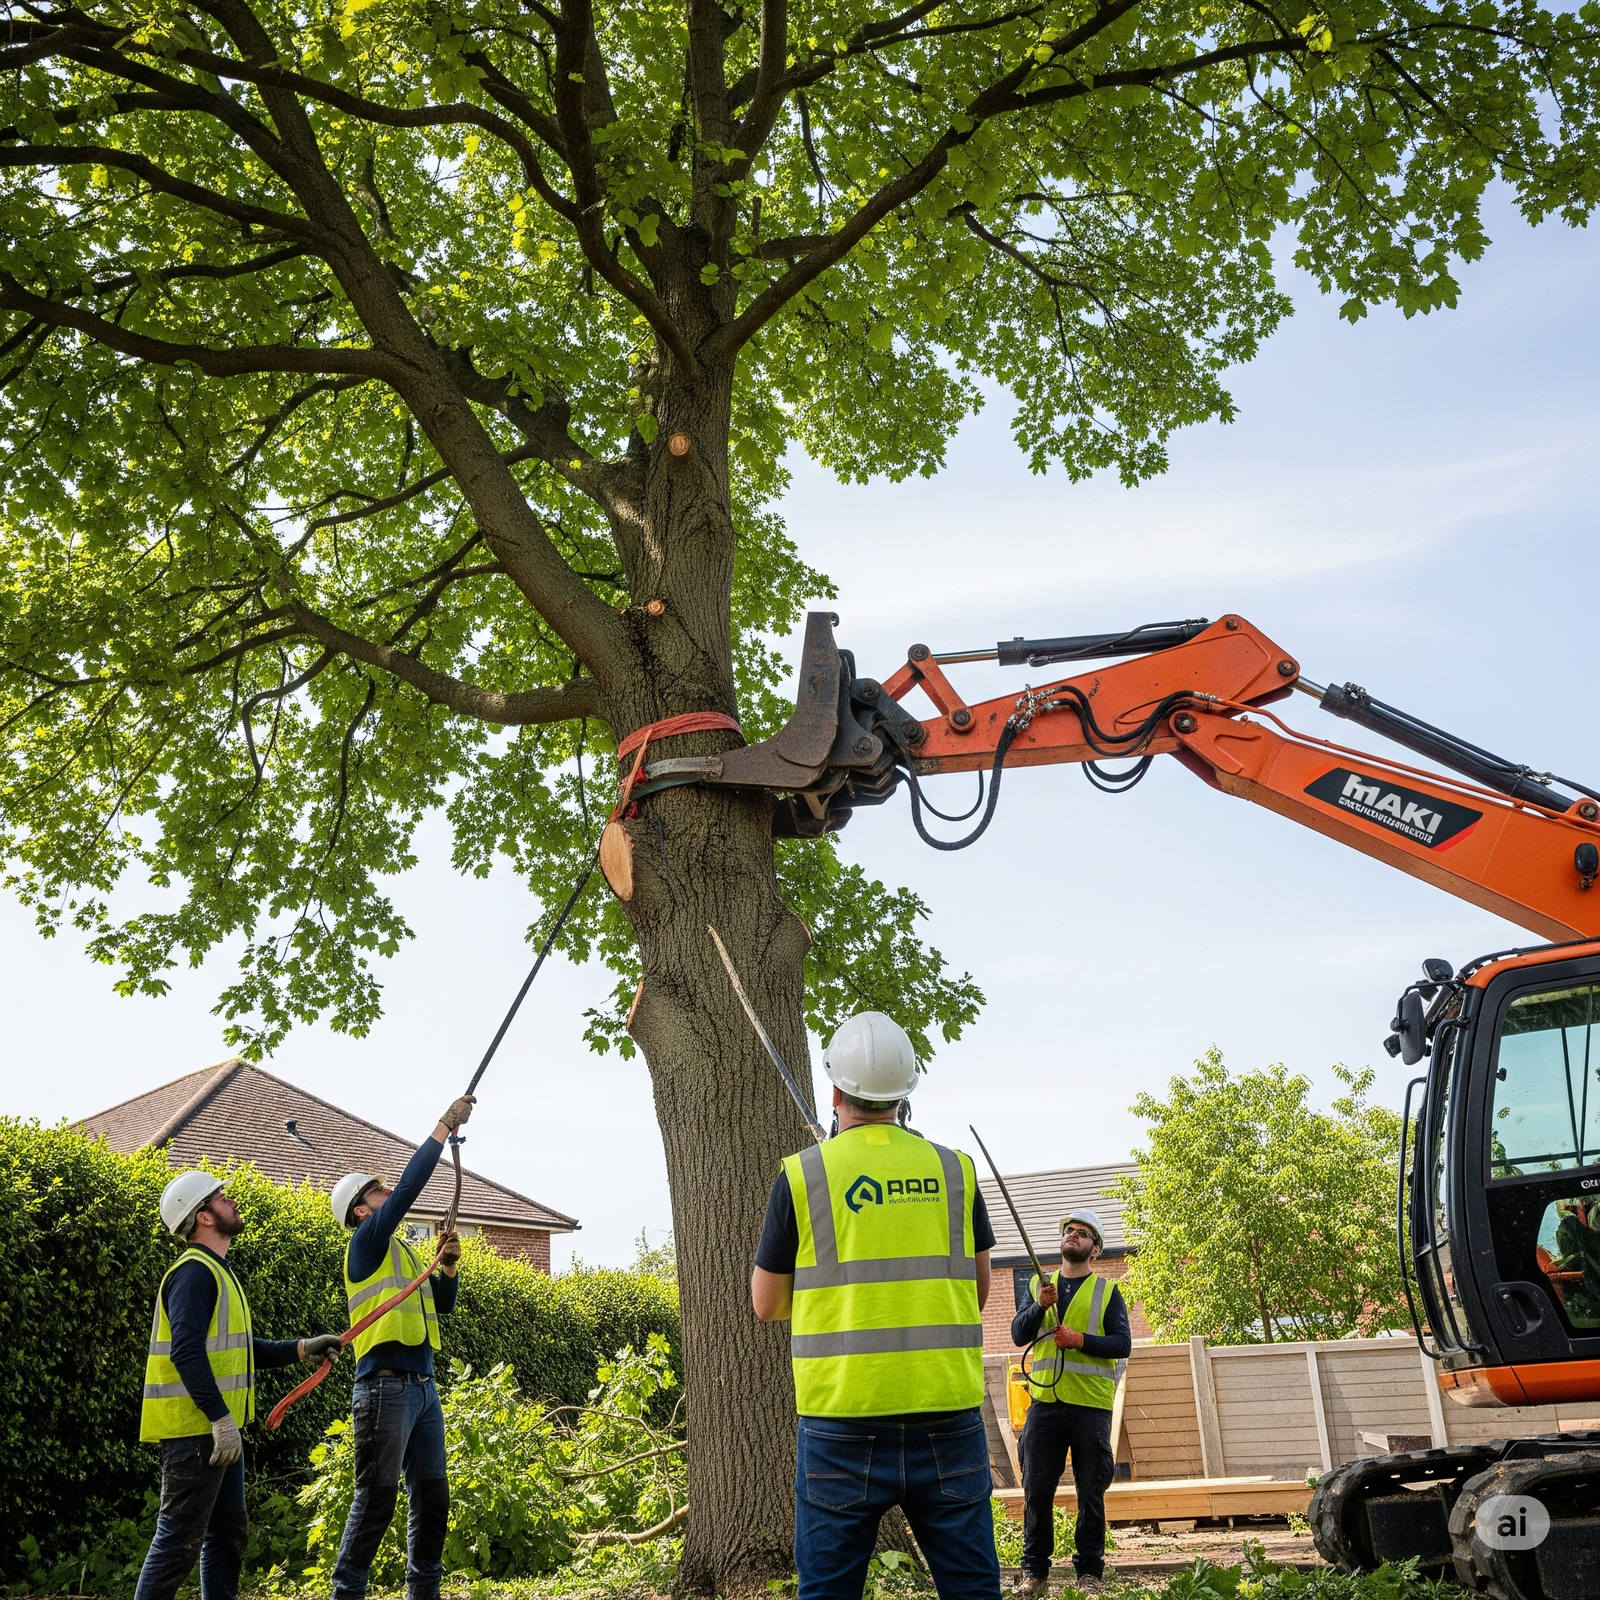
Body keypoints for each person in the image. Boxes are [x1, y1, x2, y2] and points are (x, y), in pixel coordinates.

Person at [751, 1012, 1001, 1600]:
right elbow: (977, 1291)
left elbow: (766, 1304)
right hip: (947, 1412)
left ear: (836, 1092)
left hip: (842, 1418)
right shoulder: (955, 1171)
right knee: (972, 1592)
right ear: (905, 1093)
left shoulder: (805, 1175)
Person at [136, 1172, 344, 1600]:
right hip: (198, 1432)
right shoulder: (194, 1273)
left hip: (216, 1432)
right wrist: (219, 1419)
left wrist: (301, 1348)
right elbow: (186, 1352)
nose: (231, 1201)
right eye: (221, 1197)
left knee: (228, 1533)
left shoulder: (216, 1270)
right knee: (178, 1542)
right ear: (203, 1216)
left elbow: (238, 1349)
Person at [328, 1096, 474, 1600]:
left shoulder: (402, 1253)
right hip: (385, 1390)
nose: (388, 1191)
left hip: (423, 1388)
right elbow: (410, 1188)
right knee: (376, 1503)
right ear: (361, 1209)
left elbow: (442, 1305)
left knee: (432, 1500)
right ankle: (346, 1593)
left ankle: (424, 1594)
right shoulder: (366, 1243)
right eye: (378, 1191)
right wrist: (443, 1127)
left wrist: (448, 1267)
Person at [1010, 1210, 1133, 1596]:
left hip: (1090, 1406)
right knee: (1036, 1489)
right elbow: (1018, 1335)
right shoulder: (1038, 1284)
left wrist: (1080, 1340)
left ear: (1094, 1249)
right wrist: (1038, 1307)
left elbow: (1122, 1344)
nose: (1073, 1235)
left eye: (1082, 1233)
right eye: (1069, 1230)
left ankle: (1089, 1574)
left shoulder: (1107, 1292)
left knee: (1090, 1491)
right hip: (1045, 1402)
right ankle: (1034, 1573)